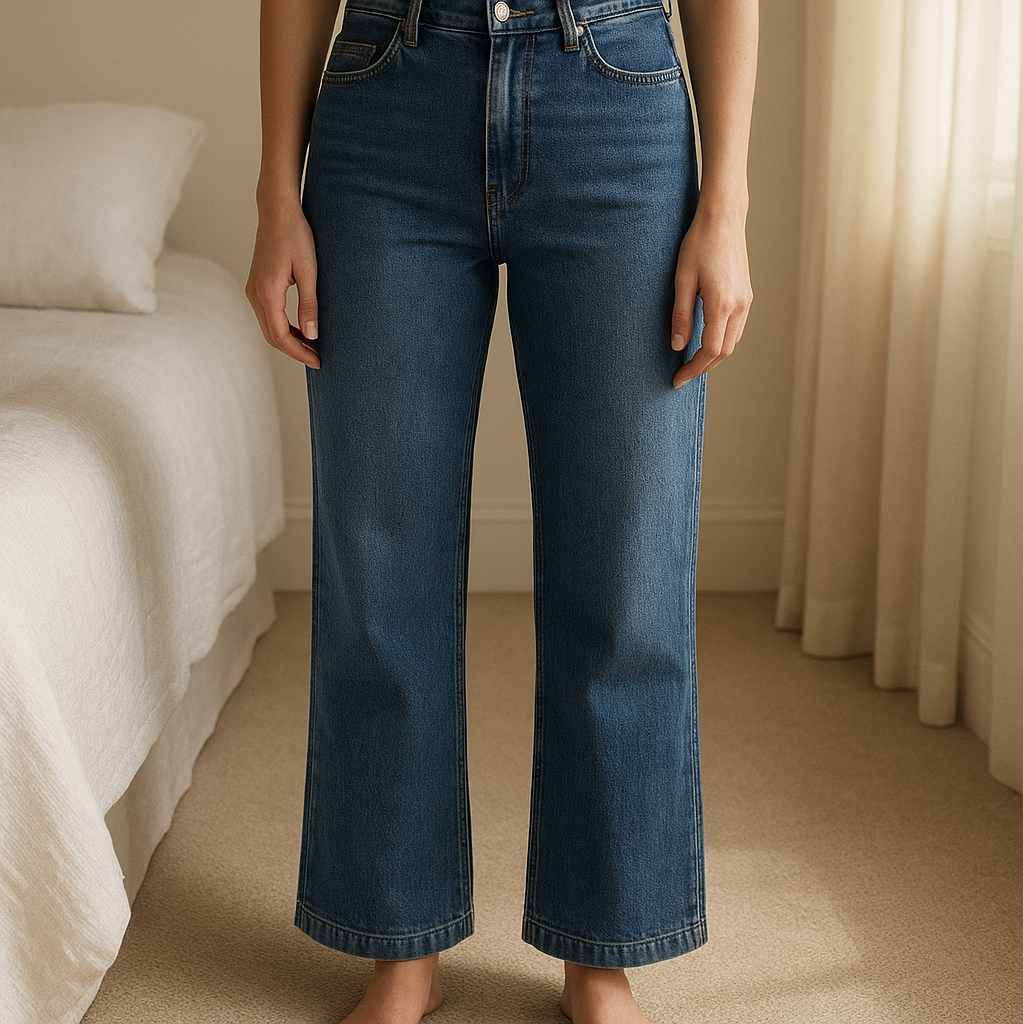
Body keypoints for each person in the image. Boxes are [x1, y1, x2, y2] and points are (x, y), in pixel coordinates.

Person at [246, 0, 756, 1019]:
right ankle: (399, 945)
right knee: (378, 561)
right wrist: (274, 192)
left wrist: (726, 205)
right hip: (388, 93)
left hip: (611, 94)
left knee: (626, 567)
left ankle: (600, 952)